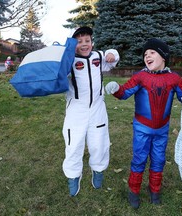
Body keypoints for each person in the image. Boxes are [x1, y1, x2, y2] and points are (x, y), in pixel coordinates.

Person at [105, 38, 182, 209]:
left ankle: (154, 189)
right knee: (139, 158)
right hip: (142, 128)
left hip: (162, 130)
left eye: (152, 53)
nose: (147, 56)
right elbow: (125, 92)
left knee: (159, 159)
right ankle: (134, 190)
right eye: (145, 54)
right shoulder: (140, 76)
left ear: (163, 57)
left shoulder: (174, 79)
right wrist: (116, 89)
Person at [62, 26, 120, 197]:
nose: (84, 44)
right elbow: (57, 73)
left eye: (87, 41)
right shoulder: (69, 60)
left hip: (97, 109)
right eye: (79, 42)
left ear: (92, 43)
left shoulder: (98, 57)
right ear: (74, 44)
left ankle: (98, 170)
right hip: (76, 110)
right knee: (73, 144)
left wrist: (112, 54)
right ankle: (73, 176)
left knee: (99, 143)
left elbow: (113, 56)